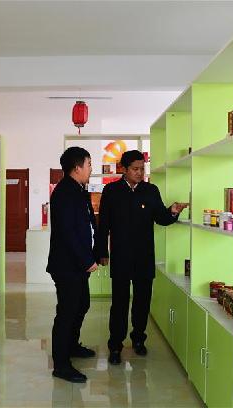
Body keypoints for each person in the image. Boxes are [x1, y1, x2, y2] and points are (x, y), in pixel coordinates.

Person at [94, 150, 188, 365]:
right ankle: (115, 345)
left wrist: (173, 211)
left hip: (144, 256)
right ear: (124, 169)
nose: (140, 173)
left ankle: (138, 339)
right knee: (119, 303)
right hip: (120, 255)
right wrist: (102, 252)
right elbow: (104, 224)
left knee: (142, 302)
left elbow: (161, 218)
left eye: (142, 169)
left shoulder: (150, 190)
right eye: (135, 169)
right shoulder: (111, 191)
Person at [47, 146, 98, 383]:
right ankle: (61, 364)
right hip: (68, 265)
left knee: (81, 304)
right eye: (89, 164)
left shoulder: (77, 189)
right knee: (67, 313)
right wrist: (86, 260)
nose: (91, 169)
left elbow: (86, 225)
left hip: (77, 263)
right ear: (77, 167)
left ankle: (72, 345)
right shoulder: (65, 192)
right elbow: (68, 232)